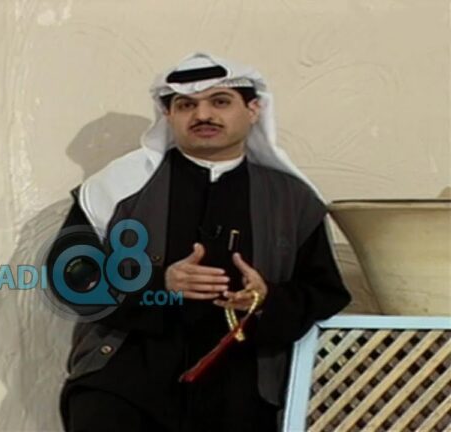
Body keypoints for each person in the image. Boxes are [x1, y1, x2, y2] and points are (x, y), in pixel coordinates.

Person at [46, 52, 352, 431]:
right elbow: (70, 275)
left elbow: (323, 292)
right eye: (186, 105)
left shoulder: (292, 200)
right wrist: (159, 284)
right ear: (168, 115)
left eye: (220, 102)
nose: (202, 115)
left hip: (244, 391)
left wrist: (266, 299)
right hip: (124, 385)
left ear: (253, 110)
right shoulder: (116, 187)